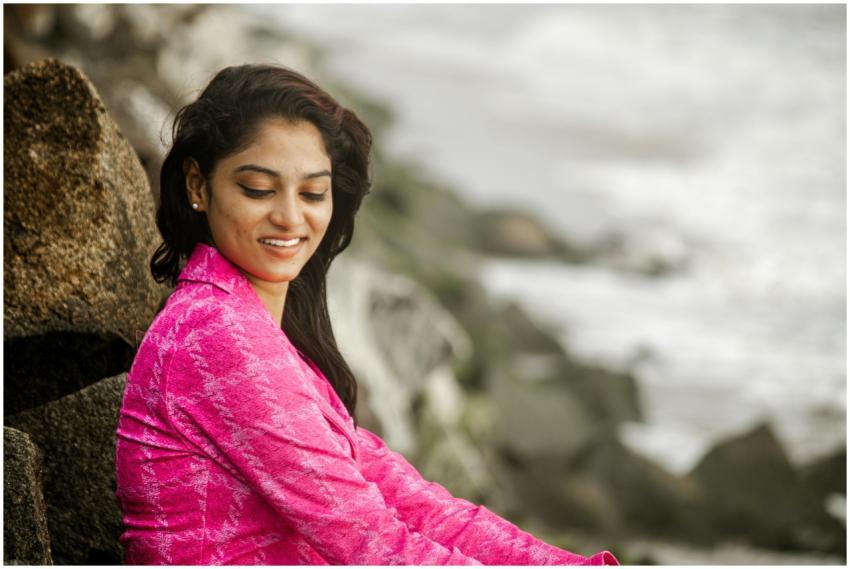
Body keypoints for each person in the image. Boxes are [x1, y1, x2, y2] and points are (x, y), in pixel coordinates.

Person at [114, 63, 620, 565]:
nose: (291, 217)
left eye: (313, 193)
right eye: (259, 190)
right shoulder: (217, 336)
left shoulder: (260, 334)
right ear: (198, 187)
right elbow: (373, 545)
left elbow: (418, 507)